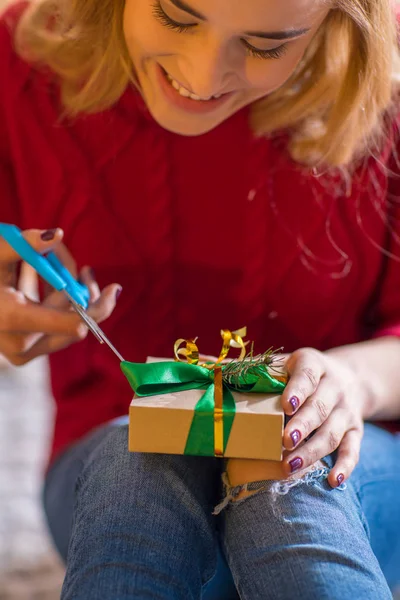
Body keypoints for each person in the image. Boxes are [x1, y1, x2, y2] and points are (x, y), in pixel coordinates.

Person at [0, 0, 399, 597]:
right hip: (111, 454)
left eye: (266, 44)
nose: (204, 76)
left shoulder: (385, 79)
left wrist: (351, 381)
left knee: (285, 477)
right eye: (176, 16)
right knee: (140, 468)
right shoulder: (24, 59)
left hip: (357, 454)